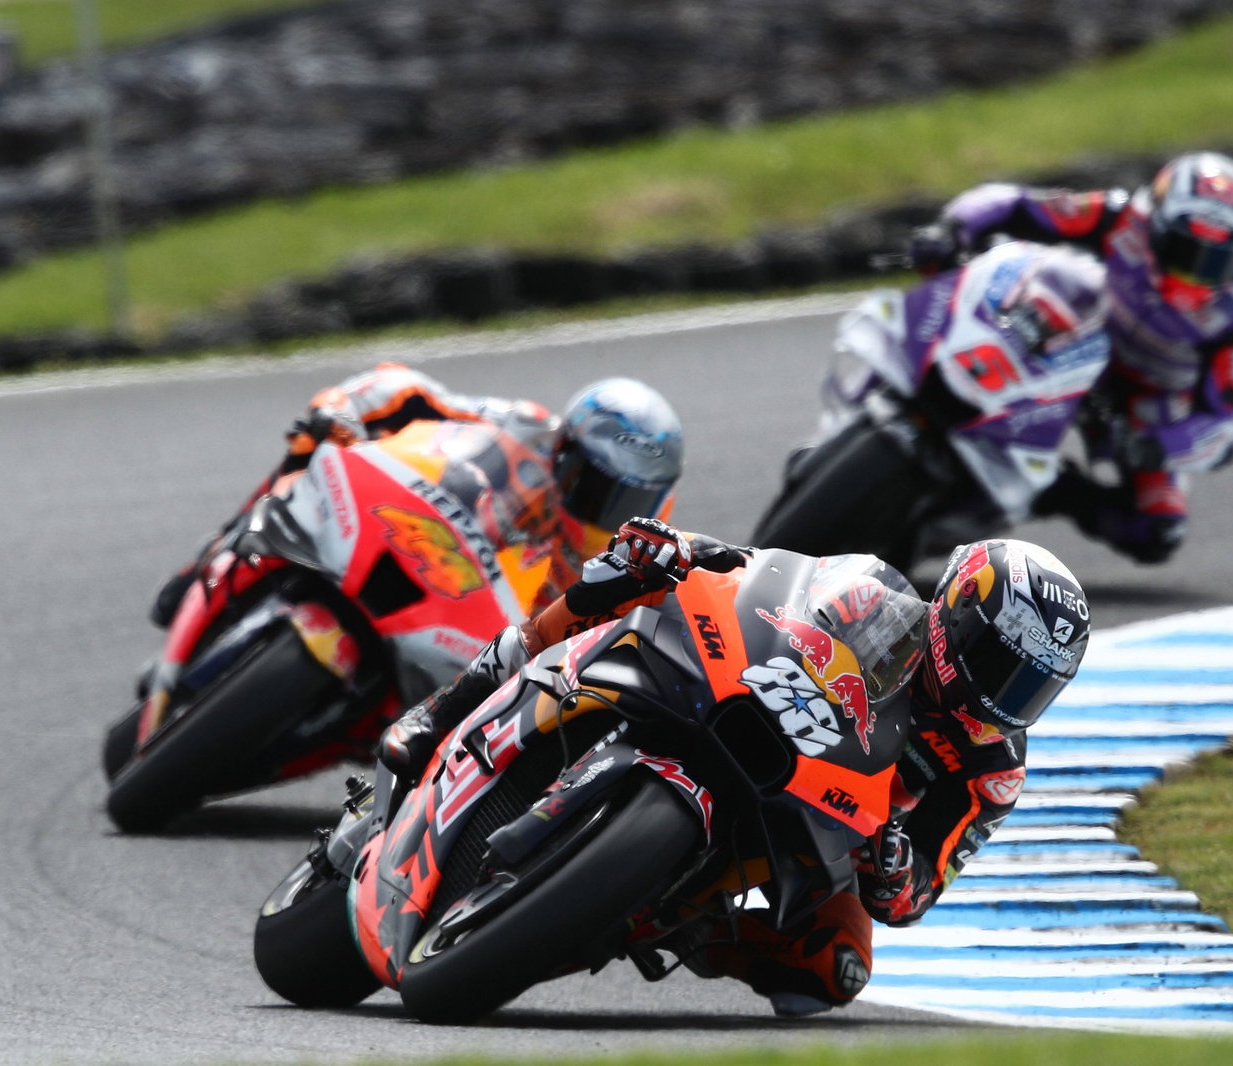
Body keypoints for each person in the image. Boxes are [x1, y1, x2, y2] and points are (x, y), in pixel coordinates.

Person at [377, 518, 1091, 1018]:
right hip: (747, 708)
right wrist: (689, 552)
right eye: (1001, 663)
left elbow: (918, 895)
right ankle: (451, 705)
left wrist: (897, 861)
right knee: (628, 573)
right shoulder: (878, 601)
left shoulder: (991, 768)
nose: (1004, 694)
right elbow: (770, 582)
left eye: (1030, 685)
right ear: (959, 615)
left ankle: (692, 924)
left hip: (820, 823)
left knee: (840, 968)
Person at [911, 151, 1233, 563]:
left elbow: (1218, 430)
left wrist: (1153, 449)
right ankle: (919, 377)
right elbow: (1014, 203)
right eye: (1182, 250)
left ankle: (1050, 489)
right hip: (1080, 330)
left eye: (1213, 262)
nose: (1192, 273)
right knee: (1000, 285)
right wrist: (951, 228)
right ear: (1155, 225)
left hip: (1145, 398)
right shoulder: (1121, 218)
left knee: (1156, 532)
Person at [147, 362, 684, 626]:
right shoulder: (525, 427)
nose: (601, 505)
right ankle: (217, 552)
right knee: (316, 444)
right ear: (565, 447)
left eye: (622, 496)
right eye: (593, 483)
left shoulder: (626, 564)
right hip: (416, 539)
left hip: (471, 649)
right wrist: (344, 410)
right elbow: (412, 390)